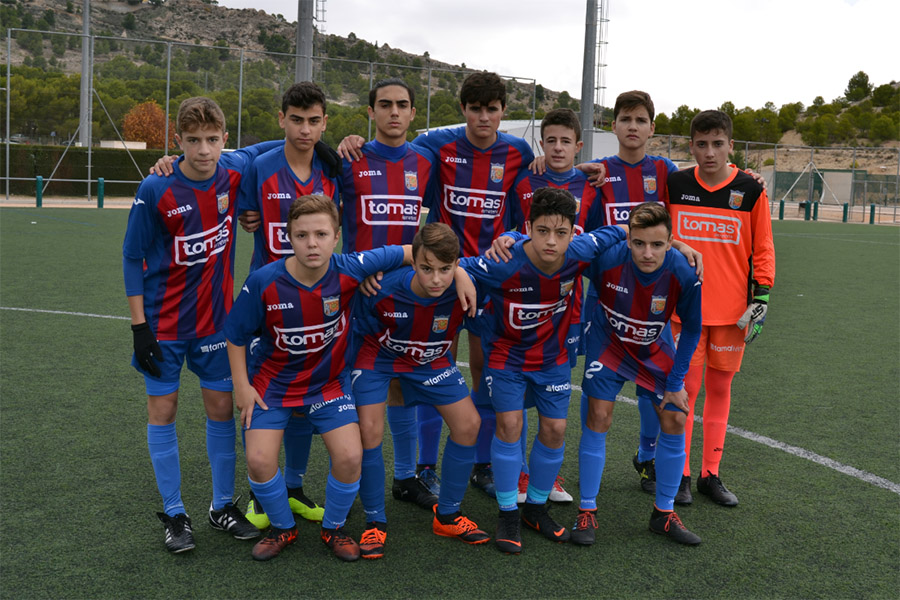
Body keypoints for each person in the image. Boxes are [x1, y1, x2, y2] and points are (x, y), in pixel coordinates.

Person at [339, 71, 536, 500]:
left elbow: (540, 200)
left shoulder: (520, 152)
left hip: (490, 282)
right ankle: (421, 468)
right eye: (476, 108)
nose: (484, 117)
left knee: (487, 370)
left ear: (504, 111)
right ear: (463, 109)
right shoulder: (435, 149)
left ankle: (486, 464)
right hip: (430, 280)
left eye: (493, 109)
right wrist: (351, 137)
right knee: (425, 365)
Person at [225, 195, 439, 561]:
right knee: (259, 461)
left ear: (336, 236)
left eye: (321, 234)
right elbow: (235, 336)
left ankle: (333, 528)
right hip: (272, 386)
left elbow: (412, 251)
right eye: (302, 235)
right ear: (287, 237)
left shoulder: (351, 268)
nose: (312, 243)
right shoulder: (264, 281)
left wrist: (461, 273)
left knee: (350, 456)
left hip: (328, 385)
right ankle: (283, 527)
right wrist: (242, 388)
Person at [123, 96, 279, 553]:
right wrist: (139, 327)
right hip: (163, 326)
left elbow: (280, 140)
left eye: (212, 140)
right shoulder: (157, 187)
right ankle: (174, 514)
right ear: (178, 141)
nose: (204, 150)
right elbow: (133, 259)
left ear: (225, 140)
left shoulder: (234, 170)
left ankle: (220, 506)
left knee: (220, 410)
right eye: (193, 141)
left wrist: (327, 147)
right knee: (163, 412)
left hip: (215, 325)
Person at [462, 187, 626, 554]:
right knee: (509, 425)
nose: (552, 241)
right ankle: (507, 514)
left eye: (561, 233)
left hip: (551, 358)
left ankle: (535, 508)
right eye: (541, 231)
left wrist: (679, 246)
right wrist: (460, 273)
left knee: (554, 430)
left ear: (574, 232)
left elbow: (624, 230)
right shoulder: (503, 261)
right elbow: (455, 266)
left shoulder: (580, 251)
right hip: (506, 357)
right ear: (528, 227)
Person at [234, 81, 341, 528]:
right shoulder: (260, 167)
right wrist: (247, 218)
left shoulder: (332, 171)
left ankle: (293, 486)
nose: (304, 129)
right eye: (295, 119)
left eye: (314, 121)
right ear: (281, 119)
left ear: (324, 123)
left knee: (305, 393)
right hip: (269, 301)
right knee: (268, 393)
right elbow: (245, 217)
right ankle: (263, 494)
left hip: (319, 298)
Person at [352, 222, 488, 559]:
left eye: (446, 270)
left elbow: (506, 251)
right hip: (379, 357)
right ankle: (374, 521)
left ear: (458, 265)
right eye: (427, 269)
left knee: (469, 424)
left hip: (431, 358)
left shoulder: (465, 286)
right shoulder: (382, 289)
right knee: (369, 430)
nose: (437, 279)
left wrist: (463, 275)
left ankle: (448, 515)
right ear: (413, 263)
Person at [338, 78, 442, 511]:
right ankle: (343, 478)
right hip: (362, 292)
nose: (394, 112)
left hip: (409, 293)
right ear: (371, 112)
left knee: (401, 384)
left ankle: (404, 477)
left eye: (402, 105)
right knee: (352, 388)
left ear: (414, 114)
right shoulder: (350, 159)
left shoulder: (426, 161)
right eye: (385, 105)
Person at [573, 201, 702, 546]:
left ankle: (663, 513)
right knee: (599, 416)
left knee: (675, 417)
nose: (648, 253)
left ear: (671, 242)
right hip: (609, 344)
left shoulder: (684, 273)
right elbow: (563, 254)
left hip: (652, 348)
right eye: (639, 243)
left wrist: (675, 383)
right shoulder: (607, 259)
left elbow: (691, 329)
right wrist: (511, 238)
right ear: (628, 240)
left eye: (658, 244)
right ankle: (587, 510)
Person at [667, 110, 775, 507]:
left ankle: (711, 474)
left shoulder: (750, 189)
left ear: (731, 145)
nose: (709, 152)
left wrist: (759, 303)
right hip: (685, 312)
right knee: (685, 391)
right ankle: (679, 473)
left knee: (720, 389)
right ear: (691, 145)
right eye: (701, 144)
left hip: (732, 313)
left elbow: (762, 249)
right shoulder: (675, 184)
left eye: (717, 144)